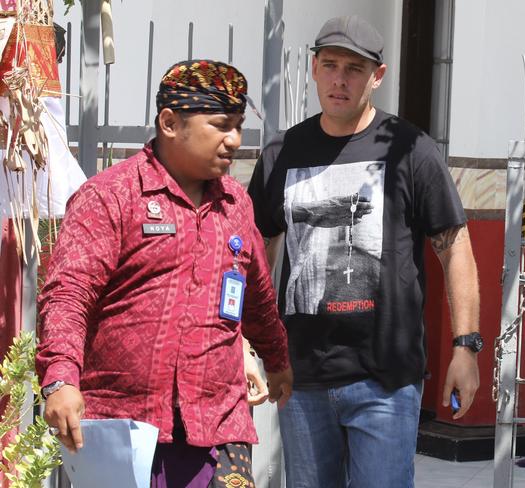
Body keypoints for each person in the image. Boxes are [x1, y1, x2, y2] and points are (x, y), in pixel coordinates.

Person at [247, 15, 481, 488]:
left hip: (386, 380)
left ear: (378, 76)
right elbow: (253, 254)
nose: (339, 79)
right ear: (313, 68)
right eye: (329, 65)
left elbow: (455, 247)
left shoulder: (411, 150)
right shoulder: (281, 154)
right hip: (301, 374)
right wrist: (250, 346)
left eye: (354, 69)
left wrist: (466, 347)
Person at [36, 59, 293, 488]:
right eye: (221, 125)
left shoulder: (236, 204)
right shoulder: (109, 198)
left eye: (238, 126)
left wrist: (278, 359)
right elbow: (68, 294)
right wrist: (60, 378)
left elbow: (258, 294)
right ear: (170, 123)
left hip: (218, 424)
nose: (234, 140)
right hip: (127, 429)